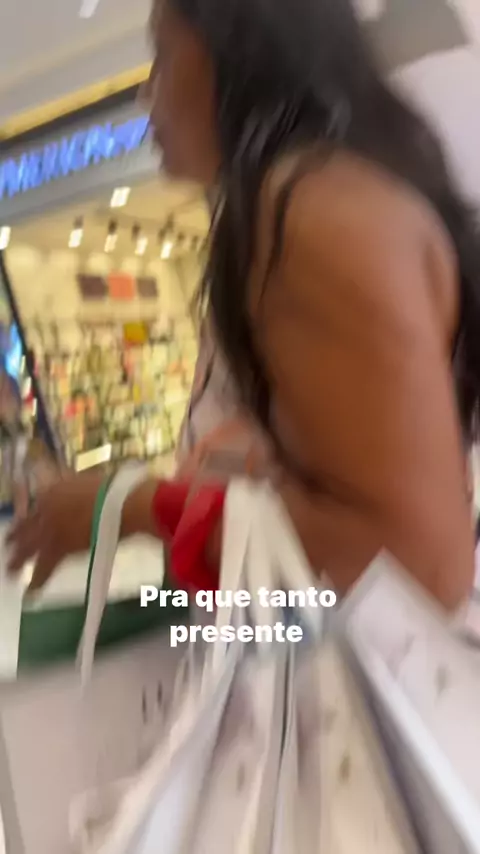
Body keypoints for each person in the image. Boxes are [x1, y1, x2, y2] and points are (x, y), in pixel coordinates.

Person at [7, 0, 480, 611]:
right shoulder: (314, 199)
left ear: (234, 49)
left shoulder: (308, 215)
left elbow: (416, 564)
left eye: (163, 55)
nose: (146, 95)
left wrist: (133, 506)